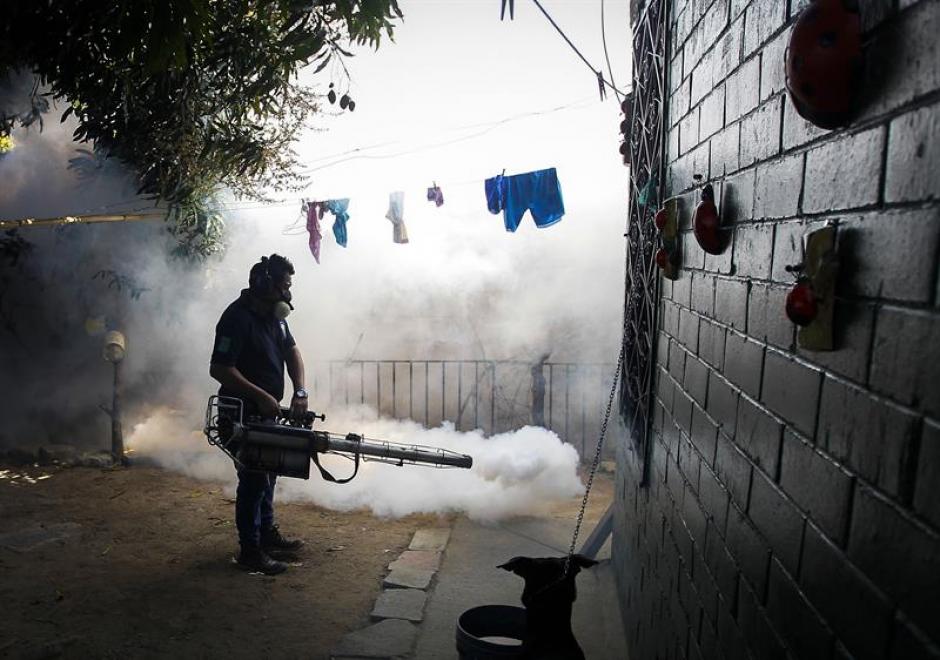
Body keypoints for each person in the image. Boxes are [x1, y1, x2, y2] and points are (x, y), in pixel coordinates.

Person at [209, 254, 308, 575]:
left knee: (269, 474)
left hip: (265, 414)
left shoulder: (276, 317)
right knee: (253, 479)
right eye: (284, 286)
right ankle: (250, 550)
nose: (288, 295)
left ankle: (266, 534)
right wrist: (260, 395)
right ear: (265, 284)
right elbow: (220, 368)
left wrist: (300, 390)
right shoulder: (236, 318)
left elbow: (291, 352)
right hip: (239, 414)